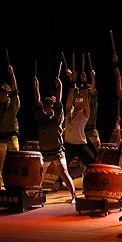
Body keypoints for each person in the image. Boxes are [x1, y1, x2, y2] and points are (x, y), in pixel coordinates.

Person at [33, 75, 77, 203]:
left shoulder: (57, 118)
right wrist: (36, 87)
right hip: (45, 152)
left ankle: (74, 196)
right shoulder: (41, 117)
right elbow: (37, 102)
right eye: (45, 106)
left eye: (48, 106)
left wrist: (60, 87)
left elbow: (58, 103)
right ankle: (36, 193)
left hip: (57, 150)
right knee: (40, 175)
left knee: (64, 173)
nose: (46, 108)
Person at [0, 63, 20, 177]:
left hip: (11, 134)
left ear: (8, 94)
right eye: (0, 93)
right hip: (1, 135)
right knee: (1, 159)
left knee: (15, 157)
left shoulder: (13, 104)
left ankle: (16, 178)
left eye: (3, 94)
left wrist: (12, 74)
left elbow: (15, 91)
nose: (1, 95)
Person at [63, 69, 96, 172]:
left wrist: (84, 81)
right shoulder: (69, 111)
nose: (78, 99)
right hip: (68, 144)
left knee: (91, 161)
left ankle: (90, 178)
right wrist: (72, 80)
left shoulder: (84, 114)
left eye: (80, 99)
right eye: (77, 99)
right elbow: (70, 95)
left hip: (80, 144)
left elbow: (85, 96)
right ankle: (61, 179)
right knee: (62, 164)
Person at [84, 67, 101, 156]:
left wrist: (93, 78)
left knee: (99, 149)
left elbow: (93, 89)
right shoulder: (80, 100)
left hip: (90, 129)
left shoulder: (92, 100)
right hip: (81, 129)